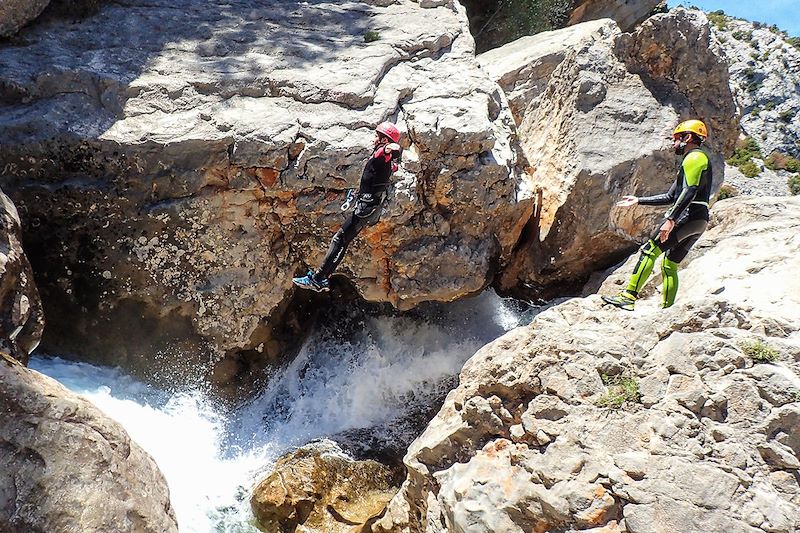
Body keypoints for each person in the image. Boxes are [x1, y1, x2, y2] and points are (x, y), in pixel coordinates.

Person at [602, 119, 713, 311]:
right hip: (700, 219)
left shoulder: (694, 157)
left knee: (649, 250)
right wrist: (638, 200)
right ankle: (667, 309)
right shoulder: (696, 160)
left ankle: (628, 296)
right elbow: (671, 196)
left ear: (688, 137)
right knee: (669, 264)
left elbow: (689, 191)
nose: (673, 143)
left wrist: (671, 220)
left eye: (676, 138)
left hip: (689, 214)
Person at [293, 122, 402, 292]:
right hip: (368, 206)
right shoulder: (384, 160)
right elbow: (389, 168)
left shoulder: (382, 154)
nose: (373, 139)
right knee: (342, 241)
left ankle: (319, 279)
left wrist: (391, 147)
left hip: (365, 209)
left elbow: (390, 151)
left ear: (383, 140)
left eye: (376, 136)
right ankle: (320, 278)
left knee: (340, 240)